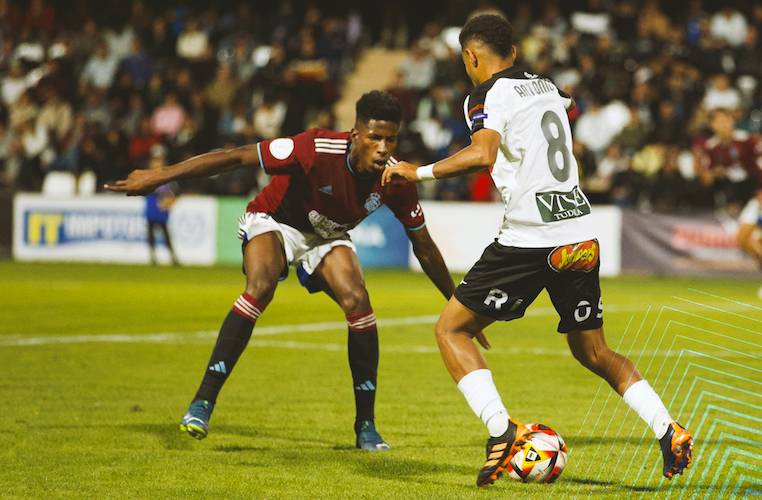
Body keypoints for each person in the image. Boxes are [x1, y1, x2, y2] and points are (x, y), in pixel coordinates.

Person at [382, 14, 693, 487]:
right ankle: (668, 429)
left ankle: (500, 431)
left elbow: (483, 155)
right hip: (579, 231)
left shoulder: (485, 95)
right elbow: (560, 117)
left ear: (471, 56)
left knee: (452, 330)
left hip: (531, 236)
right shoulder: (547, 86)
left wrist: (416, 171)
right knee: (593, 351)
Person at [106, 91, 460, 451]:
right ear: (355, 135)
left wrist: (455, 302)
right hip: (273, 221)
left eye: (391, 139)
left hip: (326, 236)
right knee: (261, 285)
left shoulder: (396, 179)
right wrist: (160, 176)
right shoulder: (315, 147)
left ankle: (366, 426)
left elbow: (424, 245)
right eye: (374, 137)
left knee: (359, 301)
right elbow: (235, 157)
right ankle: (203, 402)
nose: (384, 148)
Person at [144, 145, 179, 266]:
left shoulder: (167, 177)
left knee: (165, 235)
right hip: (151, 209)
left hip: (161, 211)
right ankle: (153, 257)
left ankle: (172, 256)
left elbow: (173, 194)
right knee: (151, 234)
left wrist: (168, 202)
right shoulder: (147, 176)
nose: (157, 163)